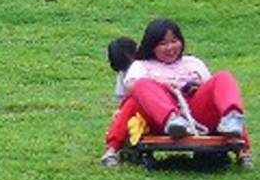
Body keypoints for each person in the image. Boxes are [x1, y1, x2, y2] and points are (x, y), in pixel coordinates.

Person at [100, 18, 248, 166]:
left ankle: (232, 120)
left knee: (223, 77)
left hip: (195, 113)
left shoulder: (193, 63)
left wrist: (196, 88)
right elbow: (133, 88)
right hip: (160, 118)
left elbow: (213, 92)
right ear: (152, 47)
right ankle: (172, 121)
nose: (170, 48)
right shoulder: (142, 66)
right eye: (163, 44)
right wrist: (164, 85)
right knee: (139, 89)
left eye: (174, 41)